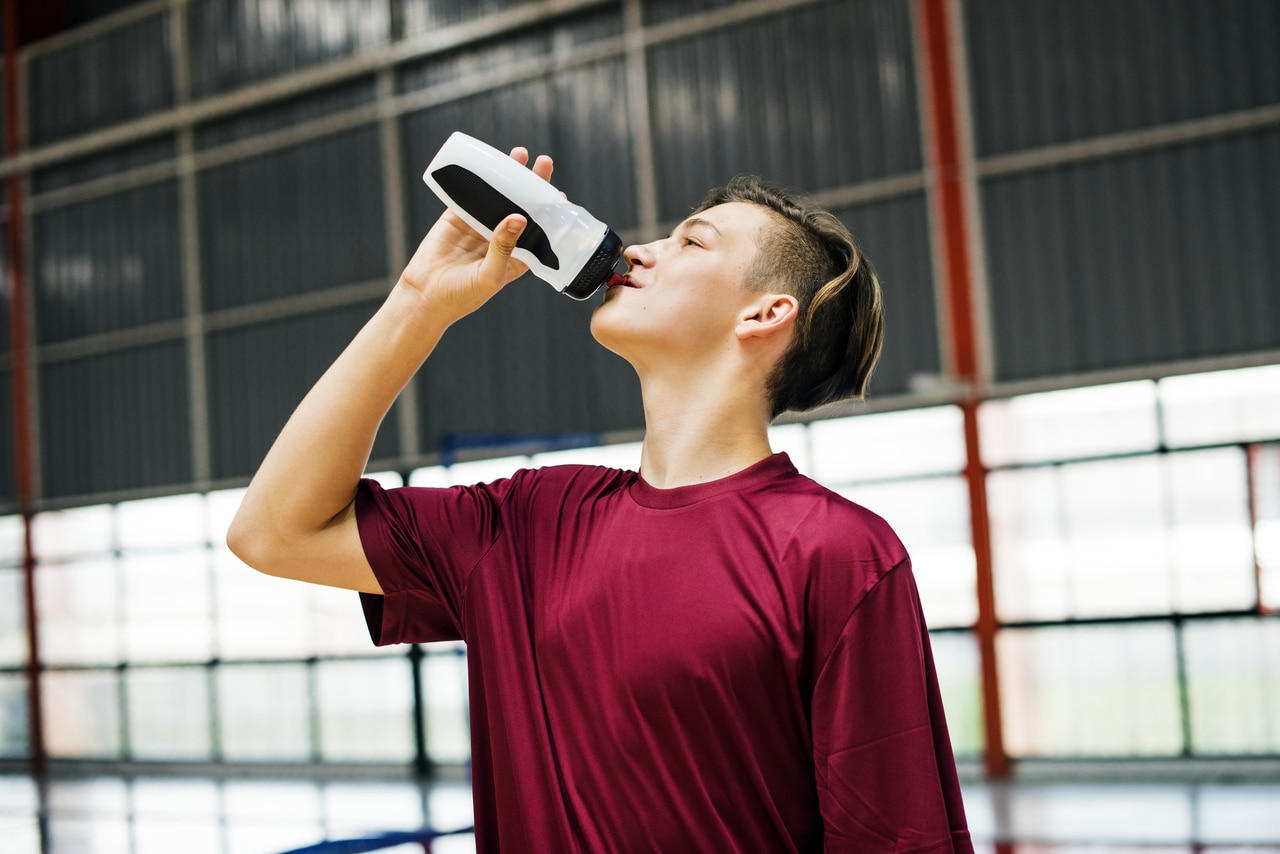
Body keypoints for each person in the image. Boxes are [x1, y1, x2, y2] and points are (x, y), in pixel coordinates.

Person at [228, 146, 973, 852]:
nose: (642, 250)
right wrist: (418, 302)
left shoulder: (837, 551)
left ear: (764, 314)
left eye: (693, 243)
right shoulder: (527, 522)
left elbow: (897, 833)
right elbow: (273, 532)